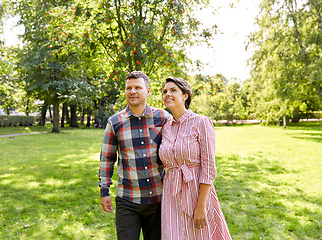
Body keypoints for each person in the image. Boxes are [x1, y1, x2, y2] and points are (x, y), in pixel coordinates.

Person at [99, 71, 171, 240]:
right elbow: (107, 159)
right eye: (128, 88)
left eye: (138, 87)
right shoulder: (114, 122)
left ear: (148, 91)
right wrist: (104, 191)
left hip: (158, 200)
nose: (132, 91)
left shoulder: (163, 118)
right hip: (127, 201)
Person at [159, 77, 231, 239]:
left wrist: (201, 206)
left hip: (196, 193)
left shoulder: (201, 122)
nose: (167, 94)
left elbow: (209, 168)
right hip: (171, 194)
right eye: (164, 91)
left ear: (185, 95)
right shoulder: (166, 127)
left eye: (173, 90)